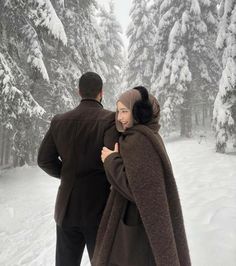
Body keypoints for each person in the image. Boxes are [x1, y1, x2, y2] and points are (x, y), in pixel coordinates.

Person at [92, 87, 191, 266]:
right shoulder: (149, 135)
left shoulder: (139, 140)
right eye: (118, 111)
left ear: (139, 112)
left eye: (124, 111)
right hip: (143, 221)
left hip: (137, 225)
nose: (119, 117)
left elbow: (135, 188)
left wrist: (111, 160)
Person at [37, 72, 119, 266]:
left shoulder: (59, 121)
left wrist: (67, 174)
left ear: (79, 92)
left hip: (67, 209)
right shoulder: (109, 120)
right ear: (101, 92)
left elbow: (44, 160)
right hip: (99, 209)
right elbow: (112, 159)